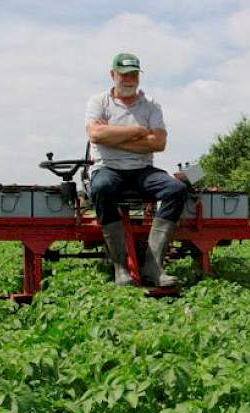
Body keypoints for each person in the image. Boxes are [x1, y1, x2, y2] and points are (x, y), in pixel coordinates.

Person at [85, 52, 188, 287]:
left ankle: (153, 267)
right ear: (113, 75)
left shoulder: (151, 104)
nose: (129, 79)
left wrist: (113, 136)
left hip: (142, 170)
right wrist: (139, 131)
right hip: (108, 168)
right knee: (101, 187)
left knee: (176, 189)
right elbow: (95, 134)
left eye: (133, 74)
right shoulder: (99, 102)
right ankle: (121, 267)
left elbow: (159, 143)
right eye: (124, 74)